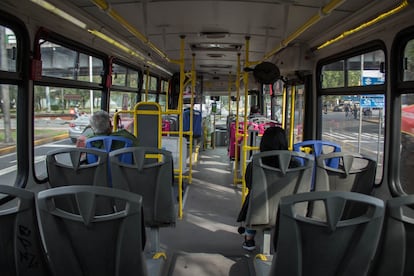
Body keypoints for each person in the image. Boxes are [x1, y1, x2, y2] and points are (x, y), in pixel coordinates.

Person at [237, 126, 299, 251]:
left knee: (253, 197)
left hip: (261, 210)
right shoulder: (296, 164)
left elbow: (249, 184)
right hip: (289, 210)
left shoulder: (255, 163)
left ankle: (249, 238)